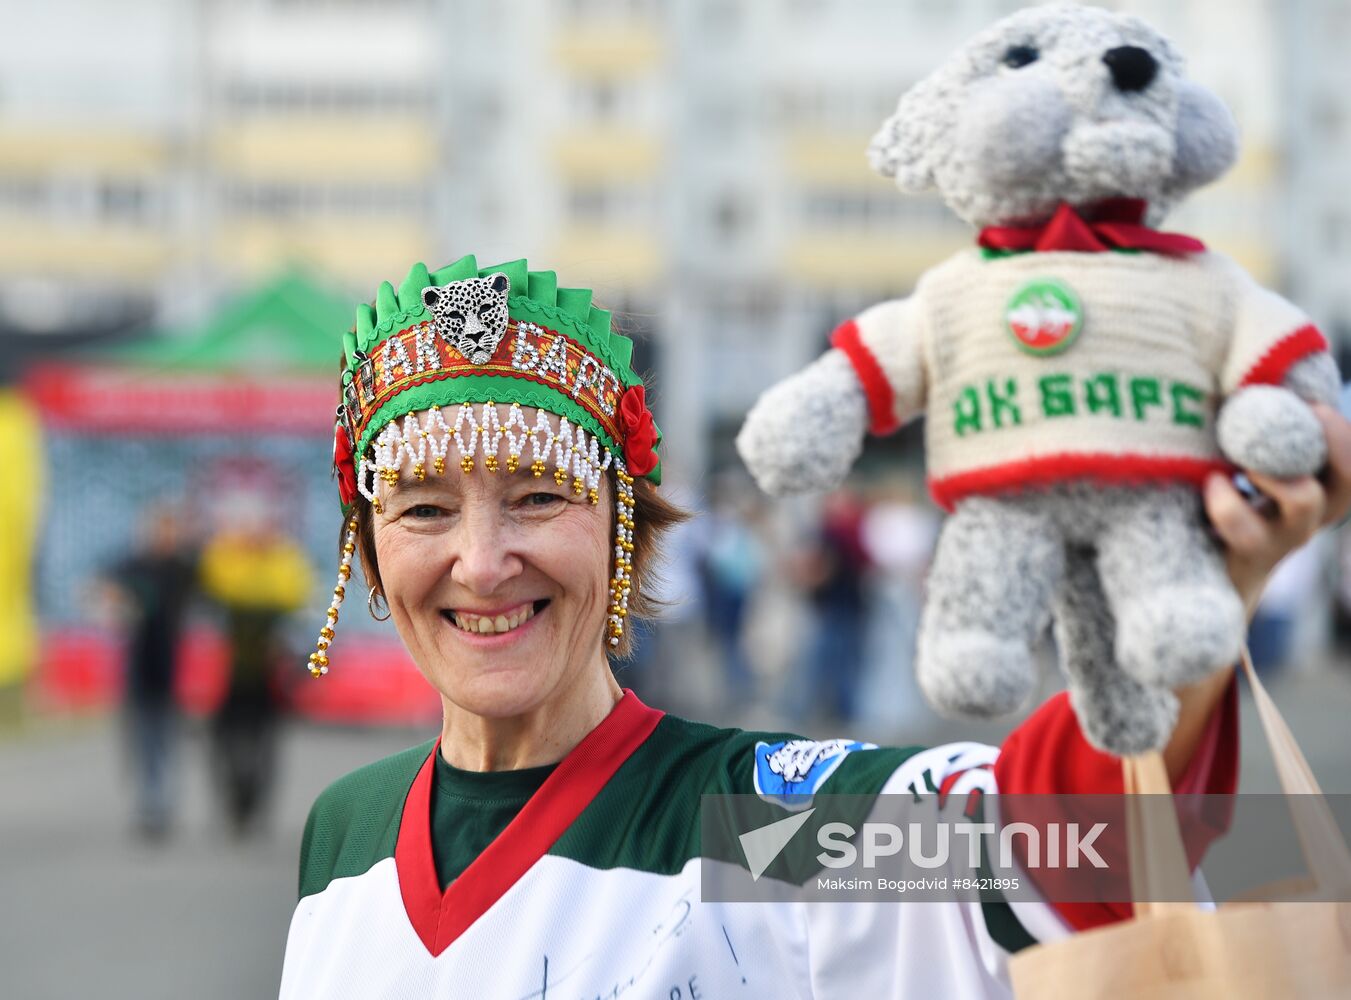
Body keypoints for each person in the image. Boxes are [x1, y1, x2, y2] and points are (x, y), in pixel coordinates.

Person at [279, 254, 1351, 997]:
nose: (480, 559)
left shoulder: (749, 825)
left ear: (623, 531)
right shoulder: (345, 835)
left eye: (538, 496)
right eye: (422, 509)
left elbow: (1067, 844)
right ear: (368, 555)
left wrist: (1197, 584)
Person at [102, 505, 198, 839]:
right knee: (142, 738)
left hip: (171, 666)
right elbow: (107, 592)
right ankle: (149, 802)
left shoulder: (183, 568)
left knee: (165, 738)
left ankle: (162, 802)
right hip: (140, 665)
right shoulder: (134, 564)